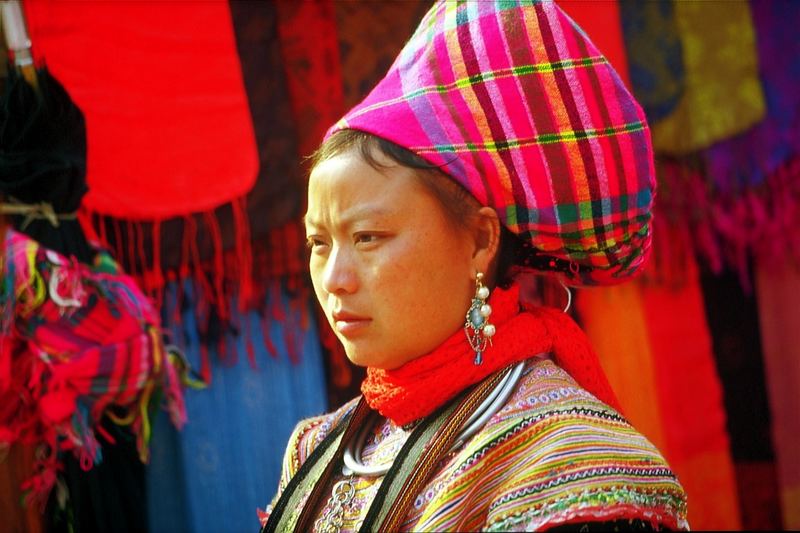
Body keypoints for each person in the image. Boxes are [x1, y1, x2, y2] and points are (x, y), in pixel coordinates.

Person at [261, 1, 688, 531]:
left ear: (480, 242)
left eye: (368, 238)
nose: (334, 279)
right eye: (318, 243)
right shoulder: (315, 449)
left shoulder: (568, 463)